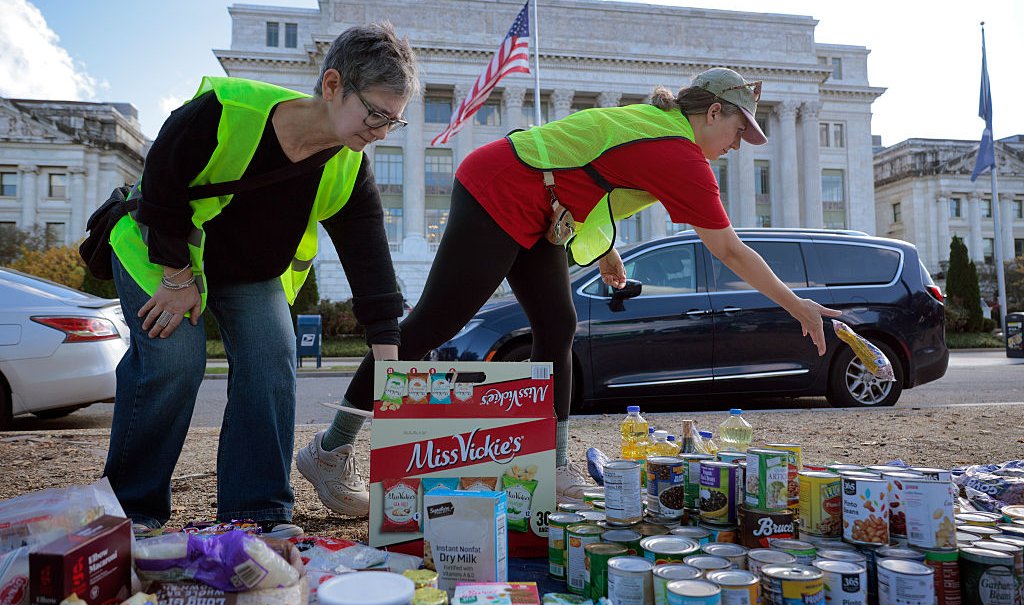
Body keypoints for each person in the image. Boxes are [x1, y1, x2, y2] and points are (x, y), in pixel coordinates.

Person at [297, 67, 842, 514]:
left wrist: (603, 248)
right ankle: (331, 448)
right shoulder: (678, 151)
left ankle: (549, 466)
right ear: (713, 113)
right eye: (738, 132)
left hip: (539, 204)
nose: (739, 146)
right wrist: (798, 305)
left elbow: (588, 163)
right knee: (433, 325)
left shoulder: (658, 127)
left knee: (558, 325)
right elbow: (729, 250)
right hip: (500, 185)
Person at [103, 23, 417, 537]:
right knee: (174, 359)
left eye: (394, 121)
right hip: (163, 253)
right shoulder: (226, 112)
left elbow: (370, 263)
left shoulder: (347, 166)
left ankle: (258, 512)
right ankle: (130, 511)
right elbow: (160, 183)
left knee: (273, 360)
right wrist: (178, 276)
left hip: (248, 273)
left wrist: (388, 362)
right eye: (376, 114)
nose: (382, 131)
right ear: (334, 84)